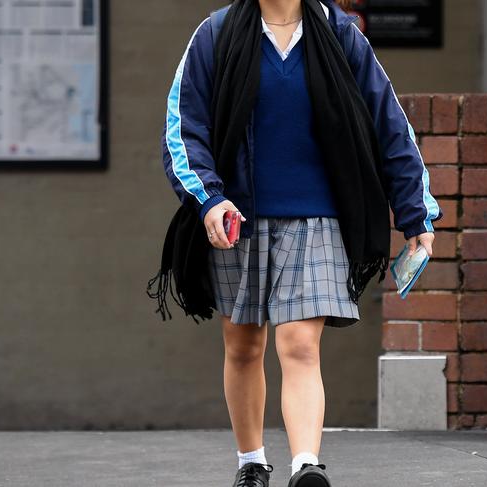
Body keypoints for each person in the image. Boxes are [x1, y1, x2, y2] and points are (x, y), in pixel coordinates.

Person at [161, 0, 442, 485]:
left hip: (318, 216)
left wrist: (416, 212)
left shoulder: (341, 34)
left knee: (300, 345)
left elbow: (389, 124)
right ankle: (251, 464)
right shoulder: (216, 33)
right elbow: (184, 128)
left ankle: (305, 465)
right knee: (244, 346)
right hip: (237, 218)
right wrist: (208, 200)